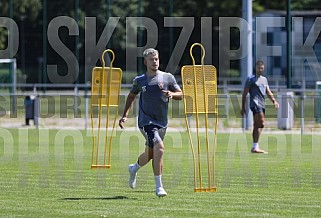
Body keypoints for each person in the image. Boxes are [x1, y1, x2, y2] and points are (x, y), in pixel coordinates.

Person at [119, 48, 183, 197]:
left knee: (150, 154)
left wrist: (172, 94)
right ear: (145, 61)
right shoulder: (139, 80)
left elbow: (181, 94)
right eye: (151, 59)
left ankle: (134, 168)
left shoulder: (168, 78)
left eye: (156, 59)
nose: (155, 62)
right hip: (146, 121)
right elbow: (131, 96)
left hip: (162, 122)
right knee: (159, 148)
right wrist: (125, 116)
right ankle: (159, 187)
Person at [241, 60, 279, 154]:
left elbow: (268, 91)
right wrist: (243, 107)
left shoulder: (264, 79)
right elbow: (245, 93)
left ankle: (255, 147)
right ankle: (255, 146)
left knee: (257, 126)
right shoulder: (251, 79)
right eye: (259, 68)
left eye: (262, 68)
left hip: (262, 104)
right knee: (261, 123)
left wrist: (274, 101)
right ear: (256, 68)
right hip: (255, 104)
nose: (260, 69)